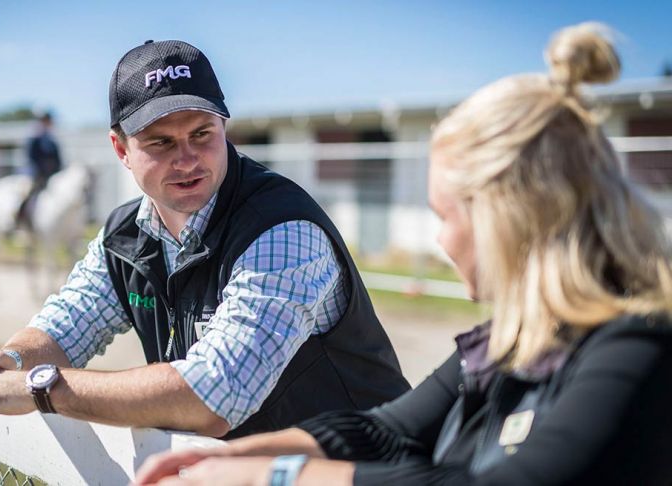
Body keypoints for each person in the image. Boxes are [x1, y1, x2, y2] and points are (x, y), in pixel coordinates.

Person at [133, 23, 672, 485]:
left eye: (446, 216)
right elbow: (384, 430)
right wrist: (237, 455)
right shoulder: (514, 339)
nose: (441, 242)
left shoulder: (638, 347)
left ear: (508, 217)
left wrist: (280, 475)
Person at [0, 40, 410, 438]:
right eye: (160, 142)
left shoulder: (281, 229)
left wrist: (38, 386)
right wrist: (2, 361)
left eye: (202, 134)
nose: (187, 159)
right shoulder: (122, 236)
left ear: (225, 127)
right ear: (121, 150)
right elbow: (67, 324)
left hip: (363, 471)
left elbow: (214, 398)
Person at [16, 111, 63, 229]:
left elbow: (58, 160)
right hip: (34, 174)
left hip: (50, 175)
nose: (47, 123)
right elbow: (30, 157)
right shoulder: (34, 137)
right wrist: (39, 171)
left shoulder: (52, 140)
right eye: (44, 120)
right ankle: (19, 222)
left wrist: (58, 173)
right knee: (26, 192)